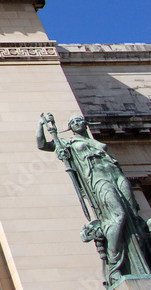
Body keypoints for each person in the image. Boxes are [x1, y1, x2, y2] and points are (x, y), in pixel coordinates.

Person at [37, 113, 151, 285]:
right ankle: (114, 266)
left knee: (133, 217)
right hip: (97, 179)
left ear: (86, 123)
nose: (77, 123)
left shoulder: (95, 142)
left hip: (116, 174)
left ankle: (140, 261)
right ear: (70, 127)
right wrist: (41, 125)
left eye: (80, 120)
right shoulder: (68, 142)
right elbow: (42, 144)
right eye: (73, 122)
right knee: (118, 216)